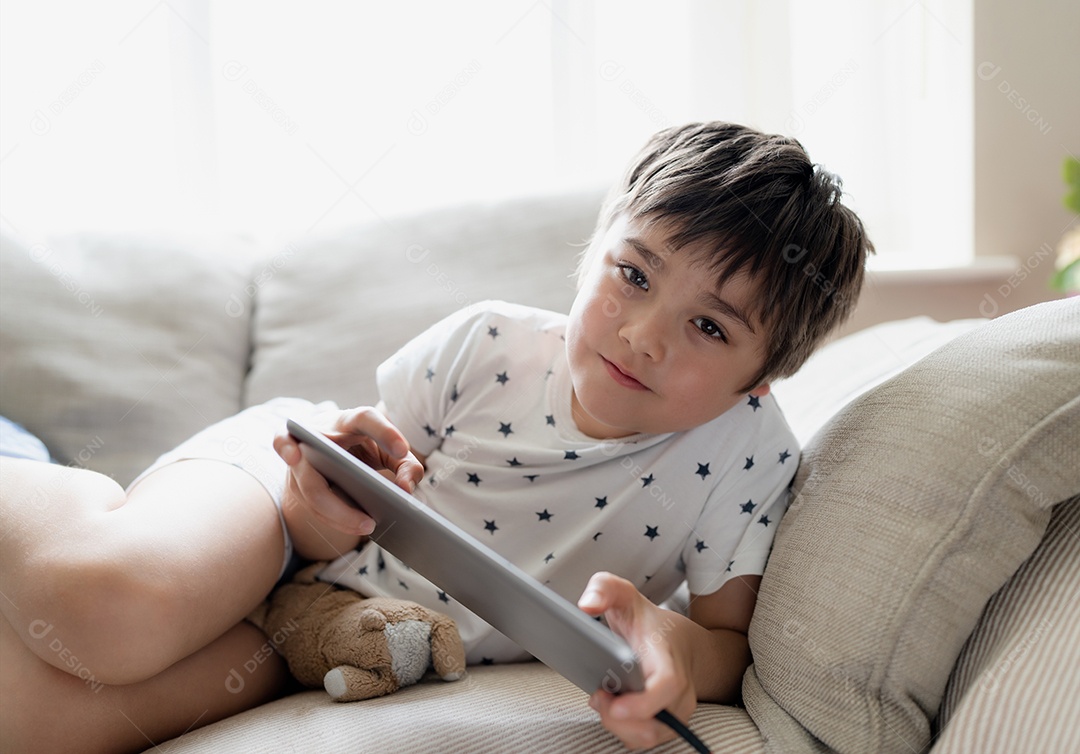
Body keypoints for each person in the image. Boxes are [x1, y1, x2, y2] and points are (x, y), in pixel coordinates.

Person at [0, 121, 871, 753]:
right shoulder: (487, 344)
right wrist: (318, 501)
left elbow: (725, 642)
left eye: (709, 328)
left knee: (35, 720)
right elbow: (339, 490)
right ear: (594, 249)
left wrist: (673, 644)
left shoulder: (748, 453)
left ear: (760, 376)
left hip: (331, 625)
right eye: (633, 275)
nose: (644, 334)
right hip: (266, 502)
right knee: (106, 609)